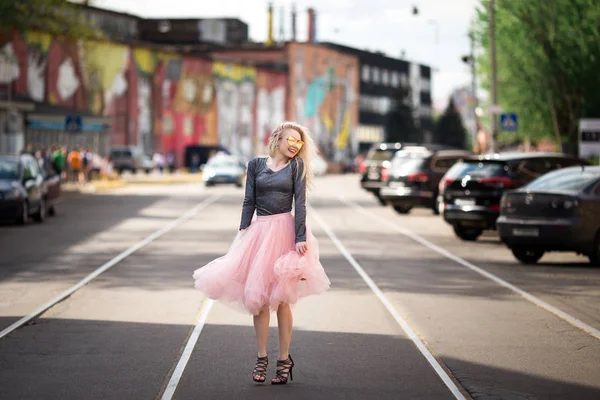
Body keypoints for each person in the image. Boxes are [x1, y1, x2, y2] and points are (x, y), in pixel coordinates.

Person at [192, 122, 330, 385]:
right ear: (277, 139)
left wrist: (300, 238)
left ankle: (284, 359)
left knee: (283, 300)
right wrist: (243, 230)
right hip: (259, 233)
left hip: (286, 233)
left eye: (299, 142)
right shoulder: (255, 164)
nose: (295, 145)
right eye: (291, 139)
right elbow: (249, 200)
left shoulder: (297, 167)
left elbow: (299, 204)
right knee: (258, 298)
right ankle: (261, 357)